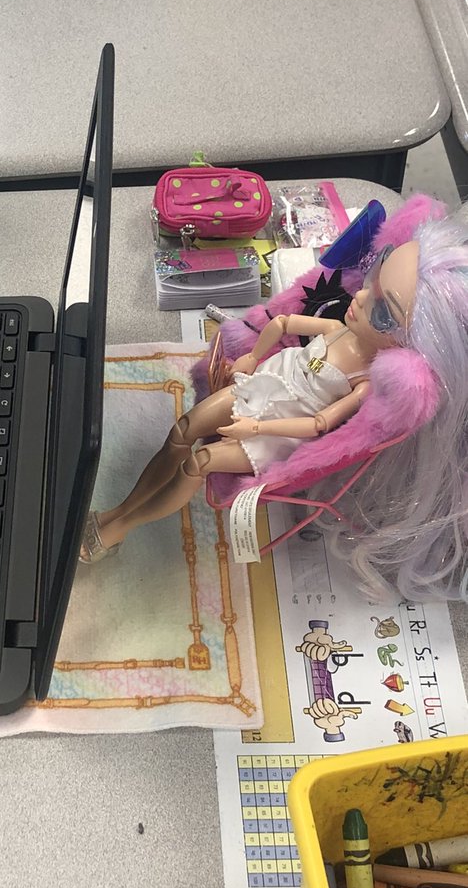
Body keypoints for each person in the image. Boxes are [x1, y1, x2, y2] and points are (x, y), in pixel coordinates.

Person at [81, 207, 468, 603]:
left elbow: (318, 425)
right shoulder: (337, 327)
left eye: (384, 313)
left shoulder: (365, 383)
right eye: (374, 273)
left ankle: (120, 524)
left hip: (275, 432)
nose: (362, 296)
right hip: (261, 387)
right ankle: (118, 511)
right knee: (184, 428)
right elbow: (284, 324)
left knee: (199, 462)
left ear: (412, 347)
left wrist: (256, 429)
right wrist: (252, 356)